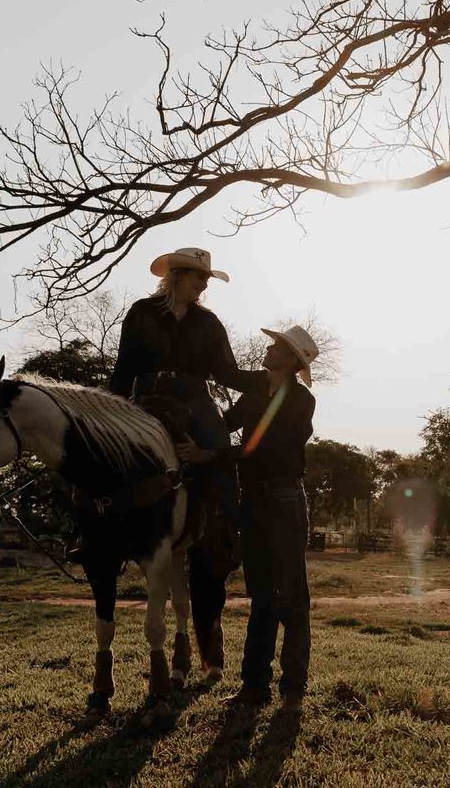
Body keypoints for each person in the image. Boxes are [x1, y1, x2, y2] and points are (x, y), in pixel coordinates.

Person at [94, 245, 247, 681]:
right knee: (105, 455)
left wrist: (270, 382)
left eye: (205, 280)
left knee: (219, 453)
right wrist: (111, 409)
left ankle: (226, 528)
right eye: (199, 278)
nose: (203, 286)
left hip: (196, 401)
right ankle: (91, 534)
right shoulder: (142, 313)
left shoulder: (208, 322)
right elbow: (122, 370)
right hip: (144, 397)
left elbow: (229, 375)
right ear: (177, 277)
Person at [182, 324, 318, 709]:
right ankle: (255, 686)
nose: (269, 348)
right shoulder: (258, 387)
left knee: (292, 596)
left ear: (291, 359)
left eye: (276, 346)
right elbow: (226, 423)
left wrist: (211, 456)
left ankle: (293, 689)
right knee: (261, 595)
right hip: (254, 502)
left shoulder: (301, 401)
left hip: (285, 500)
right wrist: (197, 438)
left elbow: (267, 448)